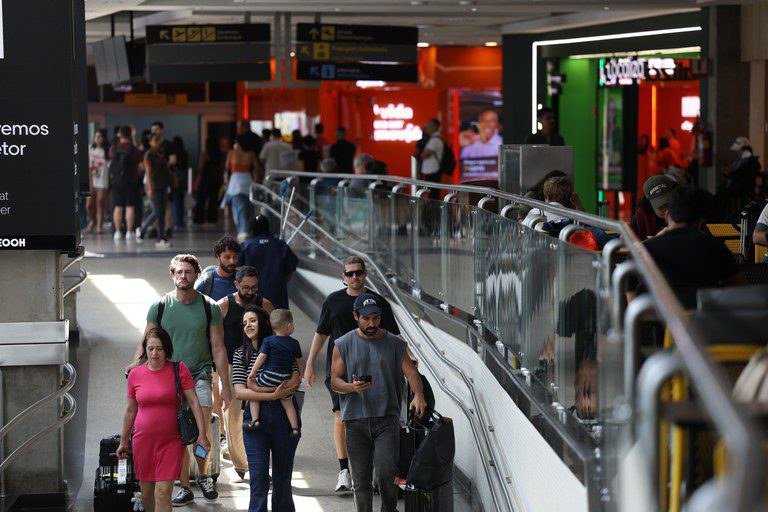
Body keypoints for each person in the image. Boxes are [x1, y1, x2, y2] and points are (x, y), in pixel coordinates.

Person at [127, 254, 231, 505]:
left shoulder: (209, 307)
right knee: (178, 435)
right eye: (179, 272)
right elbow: (147, 341)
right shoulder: (160, 306)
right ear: (173, 275)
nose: (184, 276)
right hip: (169, 376)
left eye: (188, 272)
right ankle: (185, 486)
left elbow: (218, 347)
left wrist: (225, 385)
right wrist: (136, 364)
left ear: (196, 275)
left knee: (201, 429)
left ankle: (203, 475)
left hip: (199, 374)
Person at [304, 255, 401, 493]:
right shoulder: (333, 301)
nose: (354, 277)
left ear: (365, 274)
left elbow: (394, 335)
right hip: (340, 369)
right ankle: (344, 470)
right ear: (343, 277)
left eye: (358, 272)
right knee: (342, 416)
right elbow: (321, 333)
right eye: (350, 273)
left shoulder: (378, 302)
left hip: (373, 368)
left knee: (376, 418)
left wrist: (408, 360)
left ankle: (378, 472)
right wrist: (310, 363)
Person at [330, 293, 427, 512]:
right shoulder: (343, 344)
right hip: (355, 421)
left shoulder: (395, 344)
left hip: (386, 420)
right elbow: (335, 380)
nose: (372, 324)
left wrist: (419, 395)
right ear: (356, 316)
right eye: (366, 319)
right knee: (361, 481)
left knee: (386, 473)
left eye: (376, 318)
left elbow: (412, 373)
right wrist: (351, 387)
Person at [117, 328, 209, 512]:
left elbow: (193, 402)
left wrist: (202, 434)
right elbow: (130, 410)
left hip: (171, 441)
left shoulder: (178, 369)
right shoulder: (135, 374)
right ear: (145, 350)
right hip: (143, 441)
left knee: (163, 493)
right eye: (150, 348)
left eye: (159, 348)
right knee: (146, 495)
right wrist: (123, 441)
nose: (154, 353)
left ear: (167, 349)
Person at [232, 305, 301, 512]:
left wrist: (267, 390)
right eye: (245, 323)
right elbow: (240, 392)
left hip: (283, 418)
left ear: (265, 323)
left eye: (252, 320)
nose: (248, 325)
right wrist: (273, 394)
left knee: (283, 481)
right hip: (255, 421)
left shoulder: (282, 347)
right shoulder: (240, 354)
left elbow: (296, 379)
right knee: (259, 480)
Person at [630, 187, 747, 309]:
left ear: (667, 215)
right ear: (701, 221)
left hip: (656, 317)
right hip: (704, 318)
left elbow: (631, 301)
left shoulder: (643, 251)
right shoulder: (716, 247)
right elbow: (742, 289)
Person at [217, 266, 275, 478]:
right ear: (236, 285)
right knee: (233, 415)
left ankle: (259, 464)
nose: (250, 292)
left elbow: (275, 335)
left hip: (260, 364)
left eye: (254, 288)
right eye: (245, 288)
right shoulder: (224, 305)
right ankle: (242, 465)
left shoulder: (265, 305)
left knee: (263, 416)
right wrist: (221, 373)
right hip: (233, 365)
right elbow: (216, 341)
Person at [245, 309, 303, 437]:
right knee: (288, 403)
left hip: (269, 376)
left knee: (253, 394)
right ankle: (295, 429)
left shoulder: (268, 341)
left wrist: (253, 372)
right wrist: (300, 375)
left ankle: (254, 420)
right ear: (289, 326)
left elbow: (261, 357)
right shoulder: (294, 343)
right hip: (285, 378)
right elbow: (299, 362)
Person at [237, 215, 298, 309]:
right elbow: (291, 268)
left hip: (252, 297)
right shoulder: (281, 245)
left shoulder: (246, 246)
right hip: (277, 297)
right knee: (278, 317)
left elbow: (237, 270)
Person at [138, 134, 172, 247]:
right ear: (150, 142)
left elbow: (166, 168)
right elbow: (148, 172)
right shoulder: (148, 155)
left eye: (159, 140)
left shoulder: (161, 153)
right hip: (154, 186)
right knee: (157, 211)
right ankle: (142, 230)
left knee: (162, 212)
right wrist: (150, 187)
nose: (158, 142)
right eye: (155, 140)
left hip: (163, 185)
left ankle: (160, 238)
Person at [110, 126, 143, 242]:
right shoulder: (135, 150)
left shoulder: (114, 149)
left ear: (120, 135)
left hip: (117, 183)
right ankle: (129, 232)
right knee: (130, 207)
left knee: (118, 206)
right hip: (131, 182)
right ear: (130, 135)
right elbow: (141, 167)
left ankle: (118, 232)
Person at [225, 136, 259, 241]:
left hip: (235, 182)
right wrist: (256, 180)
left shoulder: (231, 153)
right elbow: (256, 168)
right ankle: (250, 230)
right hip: (247, 181)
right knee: (249, 207)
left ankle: (243, 231)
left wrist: (226, 182)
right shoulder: (251, 154)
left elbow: (227, 168)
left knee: (239, 207)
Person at [630, 175, 677, 240]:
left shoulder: (685, 213)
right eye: (660, 206)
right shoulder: (641, 217)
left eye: (668, 204)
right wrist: (655, 240)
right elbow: (628, 243)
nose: (666, 210)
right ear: (649, 203)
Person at [195, 235, 242, 301]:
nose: (232, 261)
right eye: (227, 257)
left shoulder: (243, 279)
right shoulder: (205, 282)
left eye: (235, 257)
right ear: (217, 257)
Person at [194, 136, 224, 225]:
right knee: (213, 200)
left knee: (201, 199)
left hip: (206, 179)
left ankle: (199, 218)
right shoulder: (219, 154)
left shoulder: (205, 153)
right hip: (216, 179)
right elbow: (222, 168)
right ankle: (212, 218)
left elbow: (200, 167)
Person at [87, 130, 109, 233]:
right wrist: (90, 182)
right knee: (89, 206)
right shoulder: (90, 149)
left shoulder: (106, 151)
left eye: (100, 136)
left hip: (102, 181)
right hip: (91, 180)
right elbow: (88, 167)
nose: (97, 138)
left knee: (100, 204)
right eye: (96, 136)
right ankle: (93, 220)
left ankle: (99, 225)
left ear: (103, 138)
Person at [169, 136, 189, 231]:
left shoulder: (173, 154)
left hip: (175, 177)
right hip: (184, 176)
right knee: (181, 199)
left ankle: (177, 222)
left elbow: (172, 164)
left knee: (176, 200)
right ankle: (180, 221)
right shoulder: (185, 153)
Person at [419, 118, 444, 184]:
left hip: (432, 172)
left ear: (435, 127)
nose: (427, 127)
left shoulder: (435, 140)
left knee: (432, 189)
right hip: (431, 171)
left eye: (429, 125)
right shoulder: (433, 138)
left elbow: (425, 154)